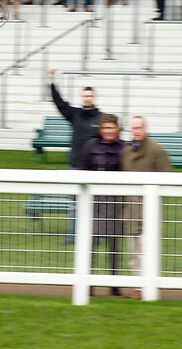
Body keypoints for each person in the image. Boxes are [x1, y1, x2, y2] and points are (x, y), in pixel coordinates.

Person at [120, 116, 173, 299]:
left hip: (149, 210)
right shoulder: (125, 153)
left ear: (145, 128)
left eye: (139, 127)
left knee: (146, 250)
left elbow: (168, 177)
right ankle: (138, 286)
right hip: (130, 210)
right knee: (133, 251)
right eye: (133, 128)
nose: (136, 131)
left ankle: (146, 287)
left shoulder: (157, 150)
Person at [49, 68, 103, 244]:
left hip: (94, 168)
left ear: (93, 97)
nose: (87, 98)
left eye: (90, 96)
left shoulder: (102, 118)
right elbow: (60, 104)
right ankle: (73, 236)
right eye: (85, 96)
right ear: (83, 97)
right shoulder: (75, 115)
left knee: (95, 205)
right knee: (74, 204)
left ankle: (95, 237)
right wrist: (52, 83)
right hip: (75, 166)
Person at [79, 114, 126, 297]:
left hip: (114, 202)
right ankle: (88, 284)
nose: (108, 131)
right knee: (89, 243)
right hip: (93, 201)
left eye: (111, 127)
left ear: (117, 129)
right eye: (105, 128)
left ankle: (114, 284)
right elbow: (82, 169)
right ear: (101, 129)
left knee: (114, 245)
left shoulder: (124, 148)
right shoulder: (91, 146)